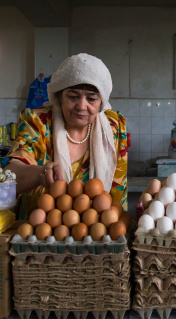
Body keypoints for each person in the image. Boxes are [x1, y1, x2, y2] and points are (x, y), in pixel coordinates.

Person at [4, 53, 128, 219]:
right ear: (59, 96)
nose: (81, 106)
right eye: (73, 96)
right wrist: (40, 173)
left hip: (95, 239)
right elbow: (9, 176)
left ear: (101, 103)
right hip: (35, 234)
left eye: (91, 99)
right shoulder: (38, 123)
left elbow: (117, 193)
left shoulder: (113, 128)